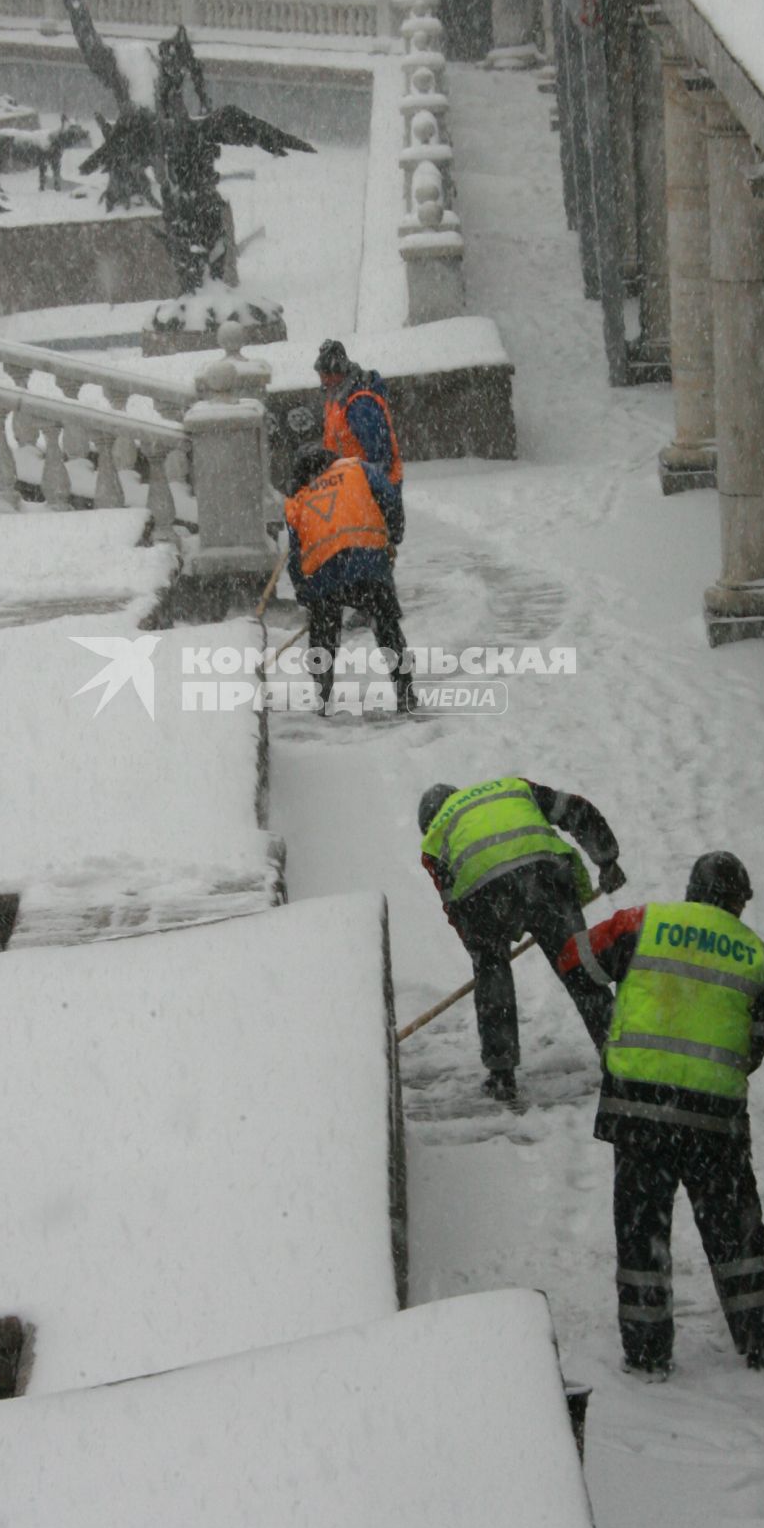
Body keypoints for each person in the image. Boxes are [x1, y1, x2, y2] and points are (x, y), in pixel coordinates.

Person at [557, 850, 764, 1378]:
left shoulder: (643, 923)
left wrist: (610, 1027)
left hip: (639, 1108)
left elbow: (574, 958)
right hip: (715, 1117)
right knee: (735, 1229)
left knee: (642, 1232)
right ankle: (763, 1342)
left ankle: (647, 1354)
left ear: (692, 890)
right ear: (737, 901)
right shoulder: (756, 954)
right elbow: (760, 1037)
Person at [418, 777, 626, 1100]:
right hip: (547, 879)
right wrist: (607, 859)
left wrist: (485, 954)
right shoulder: (512, 787)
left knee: (493, 978)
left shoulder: (434, 836)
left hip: (486, 896)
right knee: (578, 967)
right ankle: (624, 1061)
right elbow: (575, 809)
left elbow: (453, 904)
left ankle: (502, 1077)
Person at [284, 444, 415, 714]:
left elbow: (296, 557)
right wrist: (394, 532)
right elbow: (388, 495)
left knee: (323, 634)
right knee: (387, 627)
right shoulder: (357, 468)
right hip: (367, 560)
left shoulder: (299, 500)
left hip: (324, 574)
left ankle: (322, 697)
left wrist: (306, 595)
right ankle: (405, 693)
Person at [315, 339, 404, 488]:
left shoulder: (361, 405)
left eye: (325, 376)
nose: (322, 381)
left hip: (373, 489)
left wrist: (368, 487)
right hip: (350, 486)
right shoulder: (336, 398)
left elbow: (381, 460)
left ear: (338, 373)